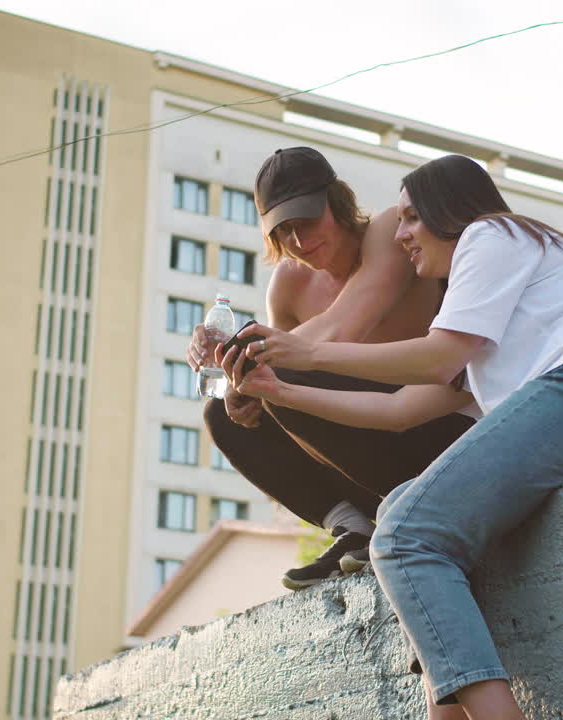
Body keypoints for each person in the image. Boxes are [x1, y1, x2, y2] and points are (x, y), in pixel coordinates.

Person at [225, 154, 563, 719]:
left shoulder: (491, 235)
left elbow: (436, 355)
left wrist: (309, 351)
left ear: (449, 213)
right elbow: (399, 411)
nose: (400, 236)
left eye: (411, 220)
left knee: (402, 536)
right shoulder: (485, 328)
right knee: (404, 513)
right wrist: (280, 393)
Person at [187, 147, 475, 590]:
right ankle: (353, 525)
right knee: (223, 416)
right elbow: (282, 382)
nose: (300, 242)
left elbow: (345, 323)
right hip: (368, 455)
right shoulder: (288, 284)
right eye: (284, 231)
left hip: (444, 430)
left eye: (307, 220)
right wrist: (240, 385)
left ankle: (395, 517)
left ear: (336, 201)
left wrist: (251, 356)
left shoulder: (390, 234)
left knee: (278, 375)